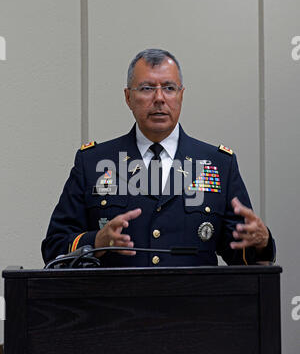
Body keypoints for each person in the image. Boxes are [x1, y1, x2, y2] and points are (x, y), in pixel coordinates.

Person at [42, 49, 276, 267]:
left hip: (194, 307)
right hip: (116, 307)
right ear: (128, 97)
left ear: (181, 96)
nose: (159, 98)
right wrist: (96, 242)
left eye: (169, 88)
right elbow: (54, 247)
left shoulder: (217, 164)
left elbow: (243, 255)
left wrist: (262, 242)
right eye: (146, 88)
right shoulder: (93, 163)